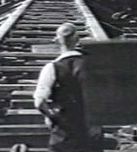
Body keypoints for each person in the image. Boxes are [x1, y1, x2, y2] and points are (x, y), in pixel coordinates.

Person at [33, 22, 102, 152]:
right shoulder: (93, 65)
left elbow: (39, 102)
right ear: (77, 40)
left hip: (63, 130)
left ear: (57, 41)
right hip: (90, 128)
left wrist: (52, 118)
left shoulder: (52, 68)